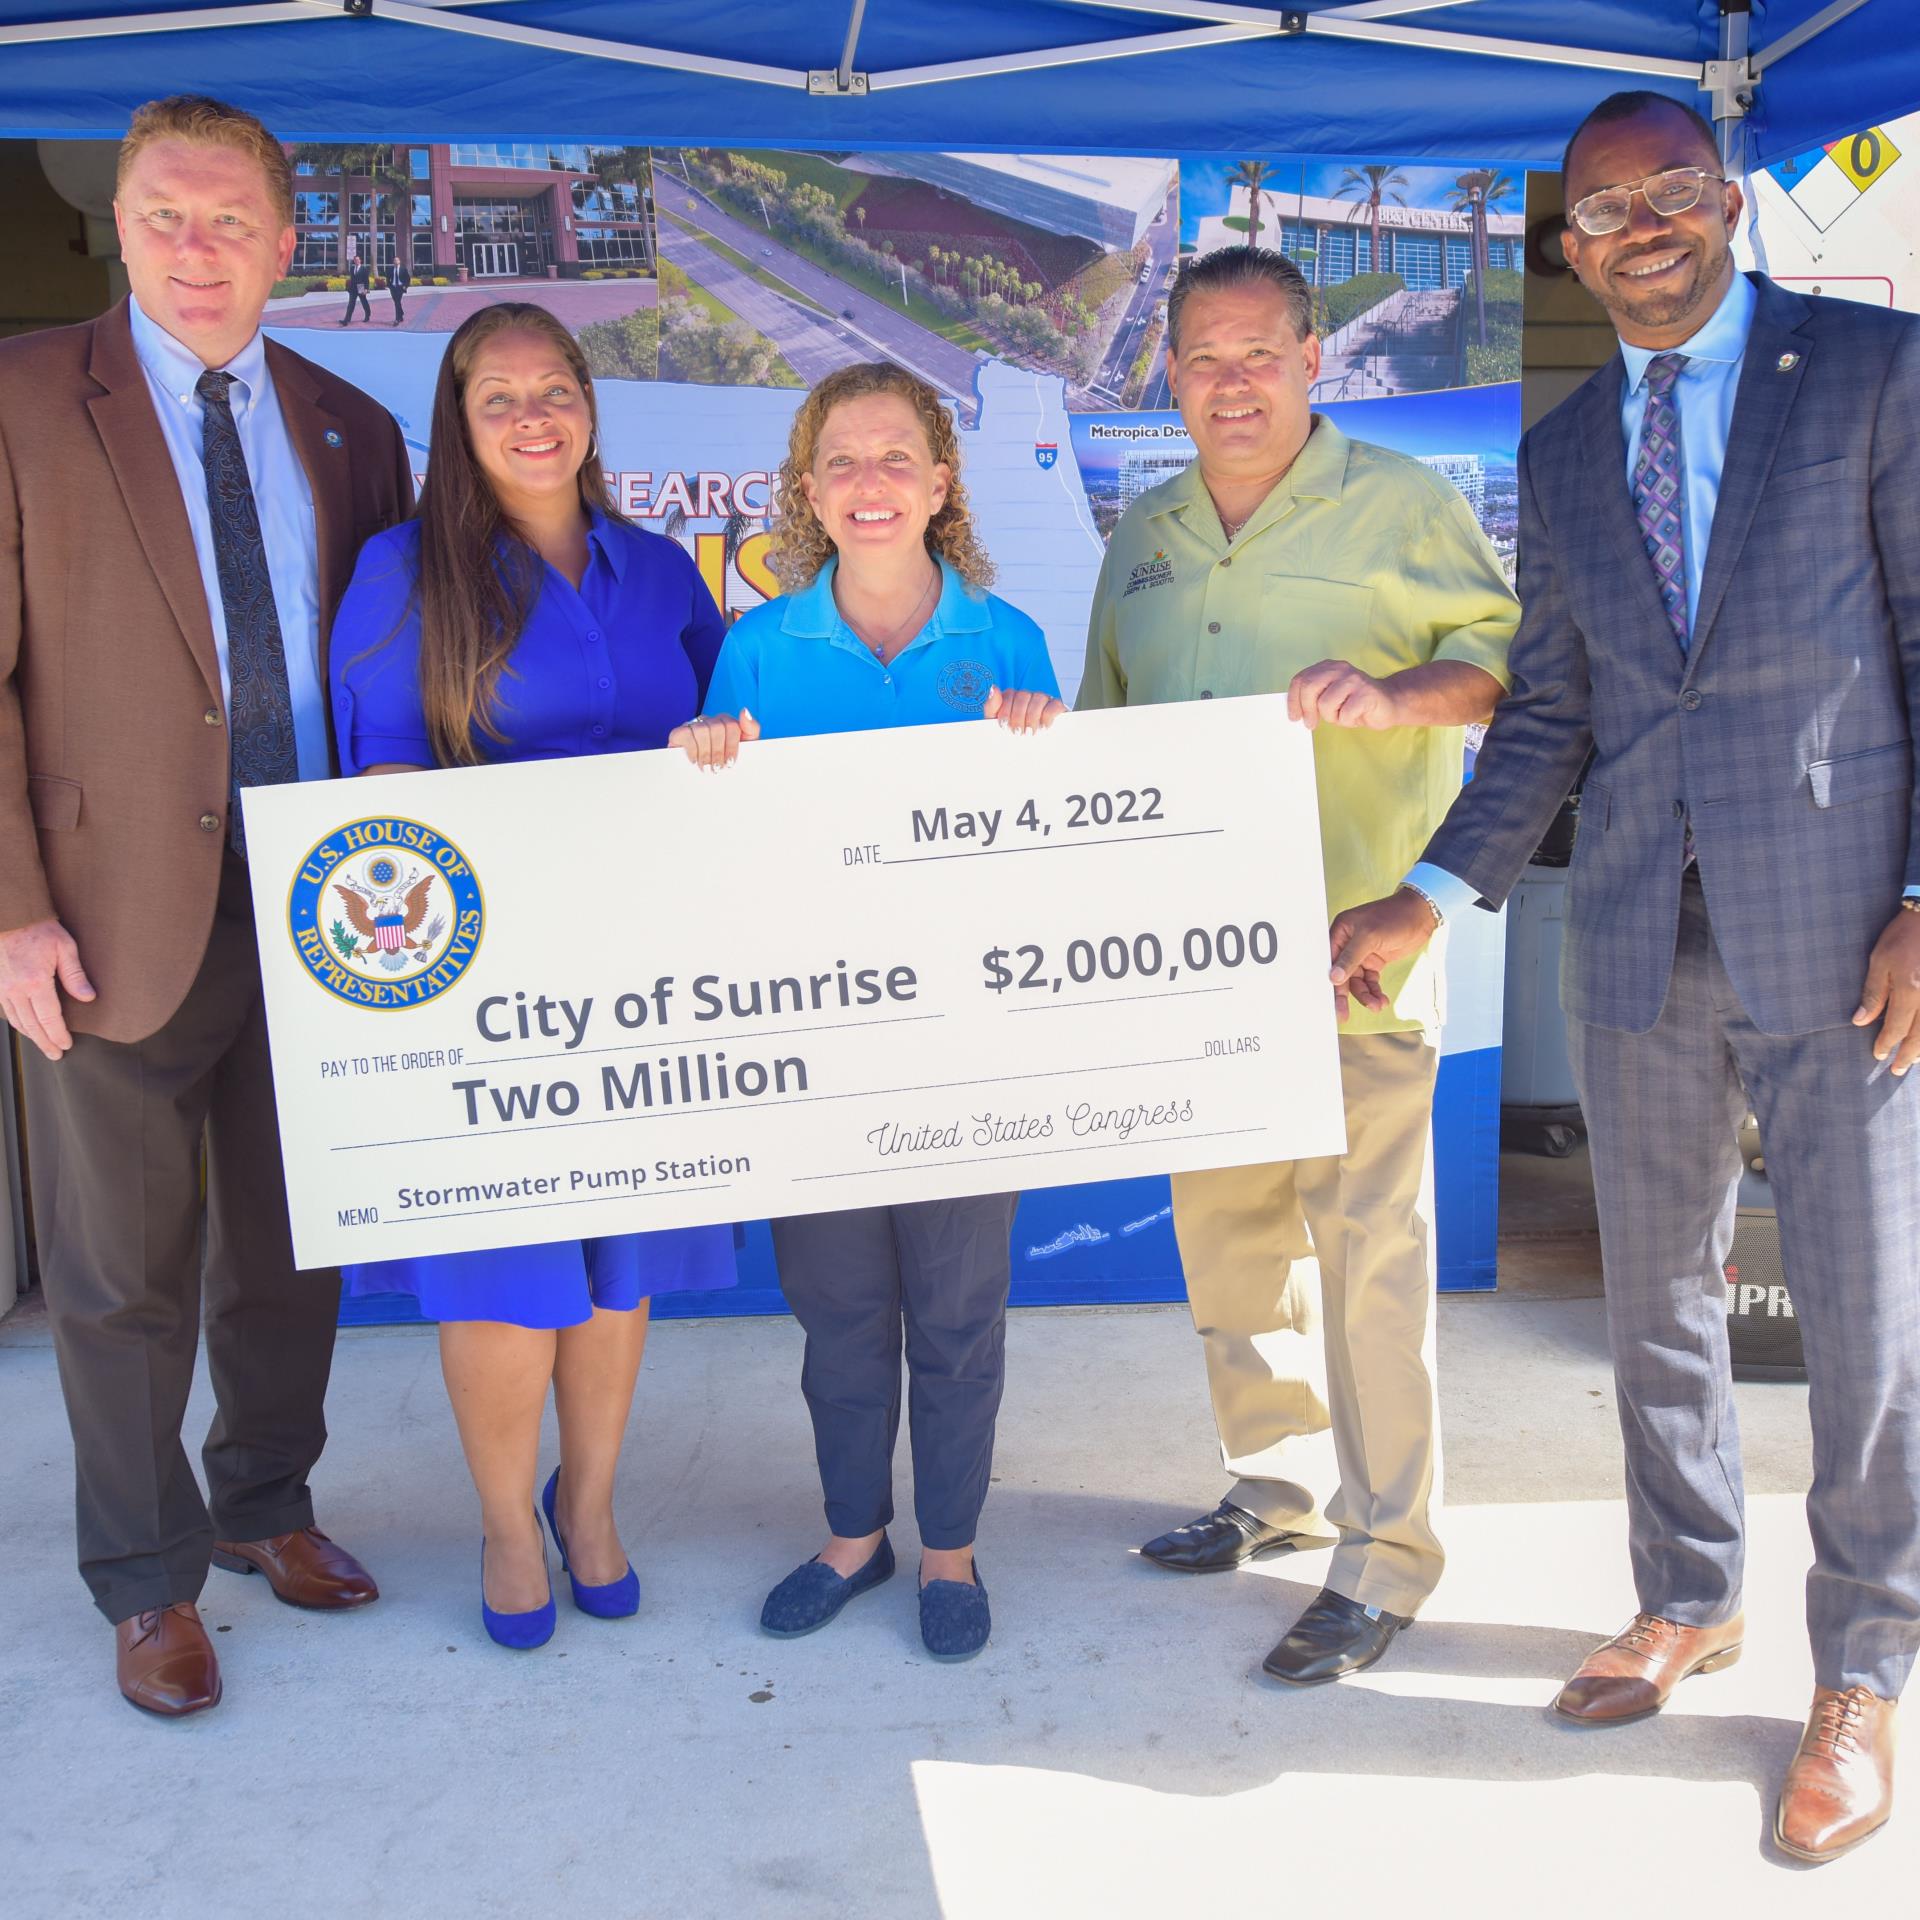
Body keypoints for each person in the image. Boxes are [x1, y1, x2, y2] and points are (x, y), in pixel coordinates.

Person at [1329, 91, 1920, 1862]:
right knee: (1653, 1292)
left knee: (1870, 1312)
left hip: (1843, 926)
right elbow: (1559, 714)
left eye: (1670, 190)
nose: (1640, 224)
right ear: (1570, 247)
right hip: (1634, 935)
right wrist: (1424, 898)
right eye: (1603, 209)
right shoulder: (1576, 446)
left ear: (1727, 202)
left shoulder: (1877, 373)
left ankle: (1865, 1669)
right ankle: (1689, 1595)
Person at [0, 95, 412, 1717]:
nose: (195, 249)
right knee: (120, 1274)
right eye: (163, 215)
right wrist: (11, 909)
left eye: (228, 219)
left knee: (292, 1251)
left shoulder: (348, 426)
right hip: (100, 918)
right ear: (119, 222)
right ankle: (147, 1579)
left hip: (322, 916)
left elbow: (385, 670)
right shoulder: (29, 397)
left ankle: (266, 1507)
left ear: (286, 240)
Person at [1078, 246, 1518, 1683]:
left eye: (1259, 352)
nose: (1230, 382)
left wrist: (1395, 695)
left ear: (1314, 357)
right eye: (1202, 358)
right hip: (1195, 974)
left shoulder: (1405, 501)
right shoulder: (1140, 531)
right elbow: (1106, 735)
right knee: (1234, 1250)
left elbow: (1506, 673)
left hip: (1355, 955)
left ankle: (1390, 1557)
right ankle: (1273, 1490)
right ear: (1170, 373)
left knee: (1373, 1267)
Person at [330, 302, 737, 1650]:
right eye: (496, 395)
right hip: (490, 993)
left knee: (619, 1270)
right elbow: (380, 782)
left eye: (553, 387)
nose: (530, 416)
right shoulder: (403, 573)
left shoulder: (666, 572)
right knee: (509, 1274)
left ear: (588, 407)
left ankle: (595, 1505)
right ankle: (509, 1527)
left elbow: (725, 748)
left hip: (644, 980)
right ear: (457, 422)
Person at [672, 362, 1063, 1661]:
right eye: (842, 461)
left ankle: (947, 1547)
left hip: (971, 1047)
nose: (871, 483)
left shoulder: (1006, 643)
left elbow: (1060, 846)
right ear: (807, 491)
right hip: (819, 1046)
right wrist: (707, 768)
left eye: (899, 458)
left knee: (957, 1311)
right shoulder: (757, 648)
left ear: (942, 485)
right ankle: (855, 1534)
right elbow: (713, 856)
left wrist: (1046, 751)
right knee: (840, 1310)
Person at [341, 251, 371, 327]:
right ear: (354, 261)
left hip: (361, 287)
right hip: (353, 289)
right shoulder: (352, 268)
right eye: (355, 260)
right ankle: (346, 320)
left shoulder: (364, 269)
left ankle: (368, 315)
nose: (356, 261)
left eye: (358, 260)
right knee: (351, 304)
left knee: (364, 302)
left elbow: (366, 280)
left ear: (360, 260)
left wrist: (366, 289)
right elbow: (352, 279)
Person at [387, 254, 411, 327]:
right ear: (393, 262)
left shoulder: (403, 269)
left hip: (400, 288)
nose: (396, 261)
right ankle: (401, 314)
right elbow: (388, 278)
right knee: (397, 302)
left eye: (397, 260)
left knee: (397, 302)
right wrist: (389, 286)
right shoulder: (391, 269)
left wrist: (405, 286)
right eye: (394, 260)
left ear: (399, 261)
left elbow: (408, 279)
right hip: (393, 288)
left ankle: (397, 319)